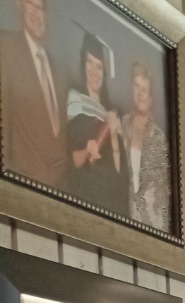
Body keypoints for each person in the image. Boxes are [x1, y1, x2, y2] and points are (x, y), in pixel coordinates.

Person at [1, 0, 67, 189]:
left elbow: (60, 143)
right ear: (20, 6)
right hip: (18, 189)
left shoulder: (58, 70)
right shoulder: (6, 48)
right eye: (31, 5)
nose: (37, 14)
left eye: (41, 8)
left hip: (56, 194)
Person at [67, 33, 128, 216]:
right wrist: (86, 151)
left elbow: (120, 172)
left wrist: (114, 136)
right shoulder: (75, 102)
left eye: (99, 66)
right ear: (83, 64)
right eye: (89, 62)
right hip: (86, 197)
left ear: (104, 72)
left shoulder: (112, 111)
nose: (94, 71)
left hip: (110, 200)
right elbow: (72, 161)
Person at [122, 61, 169, 229]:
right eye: (136, 86)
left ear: (151, 97)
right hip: (123, 216)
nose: (140, 93)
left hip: (151, 223)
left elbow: (164, 193)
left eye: (145, 89)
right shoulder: (122, 125)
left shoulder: (159, 139)